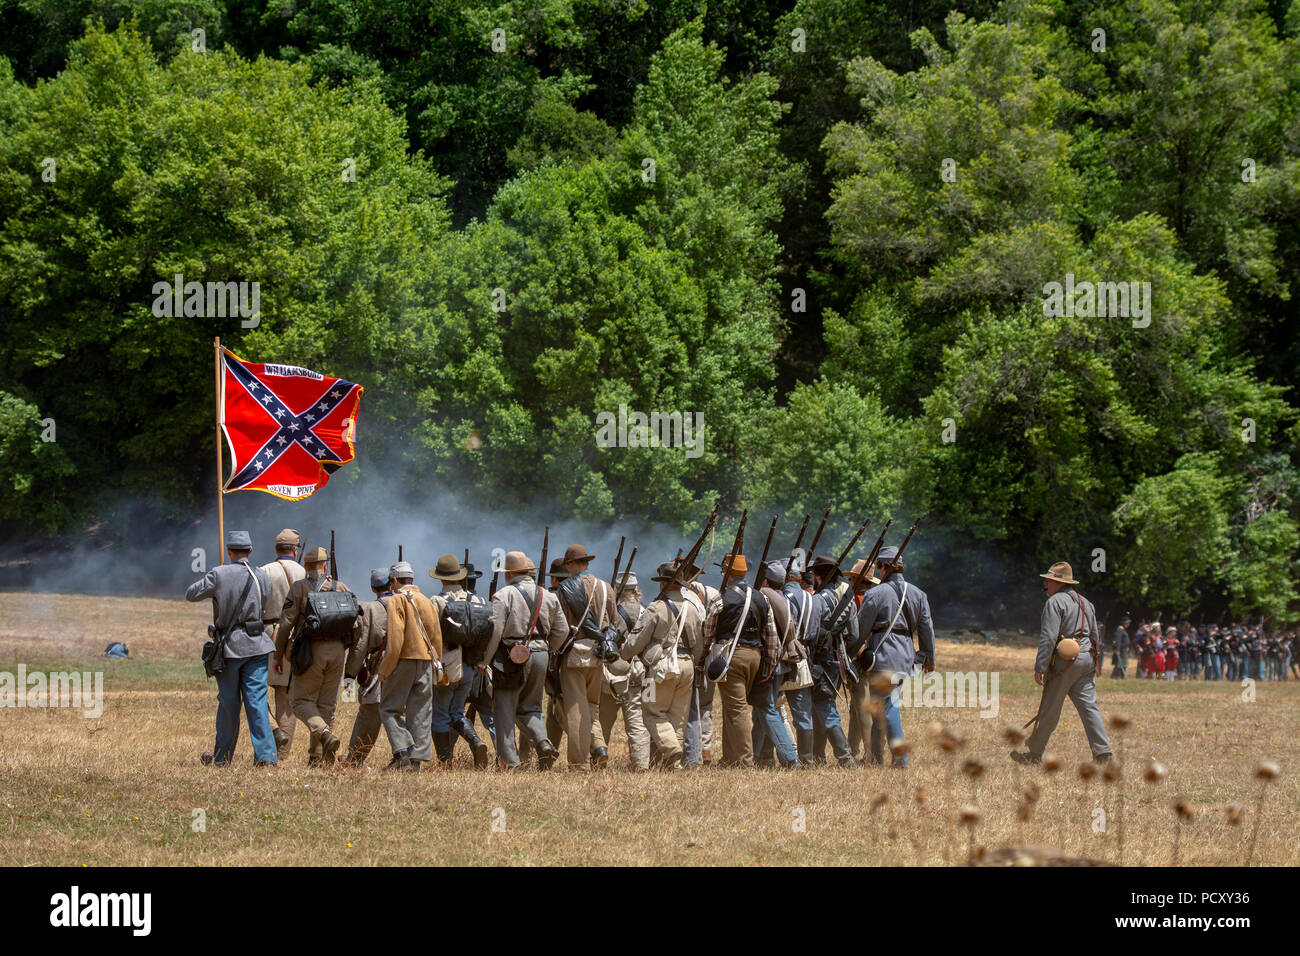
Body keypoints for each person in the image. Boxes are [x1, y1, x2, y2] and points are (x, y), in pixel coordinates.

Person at [186, 530, 276, 766]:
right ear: (250, 551)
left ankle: (222, 757)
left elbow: (191, 594)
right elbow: (264, 604)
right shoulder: (261, 576)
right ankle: (266, 757)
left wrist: (216, 582)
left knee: (229, 704)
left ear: (228, 551)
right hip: (257, 644)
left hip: (229, 647)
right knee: (257, 702)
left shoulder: (219, 573)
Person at [1011, 561, 1113, 765]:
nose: (1045, 585)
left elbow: (1048, 637)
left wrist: (1040, 666)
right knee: (1089, 708)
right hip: (1087, 659)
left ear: (1058, 583)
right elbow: (1094, 636)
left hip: (1065, 662)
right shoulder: (1086, 603)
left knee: (1050, 709)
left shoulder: (1055, 602)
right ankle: (1103, 753)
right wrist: (1095, 662)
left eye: (1048, 581)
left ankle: (1034, 755)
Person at [482, 550, 563, 770]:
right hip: (541, 655)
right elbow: (562, 630)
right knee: (532, 707)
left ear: (509, 574)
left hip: (510, 657)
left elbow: (495, 632)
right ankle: (543, 743)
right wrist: (547, 649)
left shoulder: (504, 595)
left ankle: (510, 763)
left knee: (504, 709)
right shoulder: (549, 596)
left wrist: (484, 662)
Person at [854, 546, 934, 768]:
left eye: (880, 567)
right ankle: (875, 759)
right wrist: (929, 660)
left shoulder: (875, 593)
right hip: (905, 657)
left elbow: (860, 629)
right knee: (880, 707)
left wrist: (851, 652)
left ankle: (900, 759)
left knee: (887, 708)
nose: (879, 571)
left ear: (885, 567)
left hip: (882, 655)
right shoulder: (919, 594)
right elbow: (927, 630)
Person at [702, 553, 782, 767]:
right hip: (755, 657)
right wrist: (769, 665)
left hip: (732, 657)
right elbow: (771, 635)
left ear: (727, 573)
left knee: (737, 710)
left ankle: (745, 761)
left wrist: (707, 654)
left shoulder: (721, 598)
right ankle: (730, 758)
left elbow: (707, 632)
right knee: (732, 708)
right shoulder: (761, 598)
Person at [274, 546, 352, 766]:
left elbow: (286, 623)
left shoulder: (299, 588)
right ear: (325, 565)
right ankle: (318, 758)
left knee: (299, 701)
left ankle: (325, 735)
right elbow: (356, 622)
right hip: (338, 652)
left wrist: (278, 655)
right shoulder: (341, 587)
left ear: (306, 567)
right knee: (326, 705)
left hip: (310, 651)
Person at [620, 563, 701, 770]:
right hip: (687, 665)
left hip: (658, 669)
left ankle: (672, 749)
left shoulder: (656, 608)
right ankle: (671, 766)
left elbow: (636, 642)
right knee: (677, 717)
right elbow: (699, 644)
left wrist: (624, 653)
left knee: (650, 712)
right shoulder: (692, 607)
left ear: (664, 584)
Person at [554, 544, 617, 770]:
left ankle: (579, 762)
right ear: (586, 563)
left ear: (571, 564)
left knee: (575, 709)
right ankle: (599, 747)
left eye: (567, 565)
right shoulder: (605, 587)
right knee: (592, 706)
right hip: (599, 653)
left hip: (574, 654)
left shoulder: (565, 588)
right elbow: (614, 622)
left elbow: (560, 625)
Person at [428, 553, 491, 769]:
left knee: (440, 714)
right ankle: (476, 742)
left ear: (441, 578)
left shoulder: (436, 601)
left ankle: (445, 763)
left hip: (446, 667)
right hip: (471, 667)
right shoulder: (477, 600)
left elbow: (431, 635)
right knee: (457, 712)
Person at [377, 561, 442, 771]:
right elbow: (436, 637)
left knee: (389, 708)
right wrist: (437, 663)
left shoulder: (396, 600)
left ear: (394, 581)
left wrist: (385, 668)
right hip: (425, 662)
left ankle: (402, 751)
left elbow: (395, 641)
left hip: (402, 660)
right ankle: (416, 761)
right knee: (421, 712)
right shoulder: (426, 600)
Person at [805, 555, 860, 768]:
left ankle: (845, 758)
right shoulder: (847, 597)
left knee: (824, 706)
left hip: (820, 659)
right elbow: (854, 634)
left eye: (813, 575)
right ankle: (818, 756)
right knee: (819, 706)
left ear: (819, 576)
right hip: (839, 658)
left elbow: (810, 633)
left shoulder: (818, 600)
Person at [752, 560, 804, 768]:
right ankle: (762, 757)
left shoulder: (766, 599)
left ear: (766, 580)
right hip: (782, 661)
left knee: (767, 709)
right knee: (763, 710)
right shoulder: (785, 599)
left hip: (772, 660)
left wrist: (766, 666)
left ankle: (789, 757)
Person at [260, 528, 304, 758]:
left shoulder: (264, 571)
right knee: (285, 698)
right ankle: (282, 753)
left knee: (255, 691)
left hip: (265, 635)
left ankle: (274, 735)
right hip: (294, 639)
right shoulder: (305, 572)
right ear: (295, 550)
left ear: (277, 549)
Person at [341, 569, 392, 766]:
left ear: (373, 588)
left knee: (369, 714)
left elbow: (360, 645)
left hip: (379, 665)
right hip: (405, 665)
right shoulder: (404, 602)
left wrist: (349, 675)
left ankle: (354, 758)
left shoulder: (371, 608)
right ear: (392, 584)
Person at [601, 572, 651, 771]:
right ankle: (641, 764)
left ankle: (599, 759)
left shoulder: (613, 612)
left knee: (604, 720)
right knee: (637, 721)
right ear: (635, 590)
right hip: (639, 670)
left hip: (615, 671)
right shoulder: (646, 611)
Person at [1110, 614, 1131, 679]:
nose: (1128, 624)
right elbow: (1118, 641)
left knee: (1123, 664)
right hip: (1121, 650)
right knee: (1119, 664)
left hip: (1124, 650)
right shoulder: (1120, 630)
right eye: (1127, 623)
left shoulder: (1123, 630)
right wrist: (1118, 649)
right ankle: (1115, 676)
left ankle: (1121, 676)